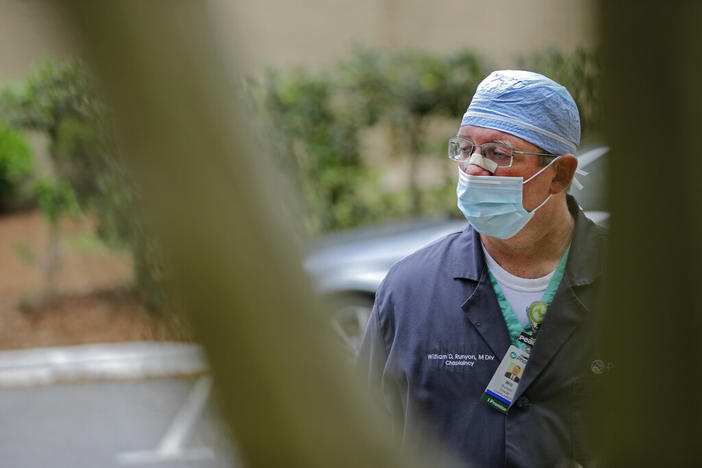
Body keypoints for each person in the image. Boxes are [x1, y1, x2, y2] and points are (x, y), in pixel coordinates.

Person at [357, 70, 606, 467]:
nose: (473, 168)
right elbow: (363, 439)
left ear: (560, 174)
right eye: (465, 148)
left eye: (497, 153)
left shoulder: (642, 290)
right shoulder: (410, 291)